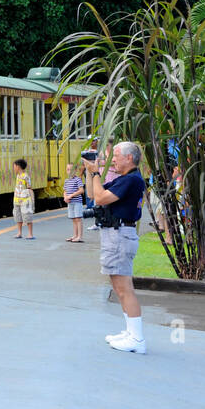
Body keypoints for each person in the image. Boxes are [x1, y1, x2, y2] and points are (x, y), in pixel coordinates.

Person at [83, 141, 147, 354]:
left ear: (129, 158)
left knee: (124, 289)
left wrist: (96, 173)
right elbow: (93, 195)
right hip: (117, 235)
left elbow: (100, 198)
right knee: (120, 288)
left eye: (117, 155)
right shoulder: (127, 179)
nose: (113, 160)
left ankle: (137, 339)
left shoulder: (131, 180)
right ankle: (131, 333)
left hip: (120, 236)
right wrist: (90, 172)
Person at [12, 158, 34, 239]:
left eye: (14, 166)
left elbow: (29, 188)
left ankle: (30, 234)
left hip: (25, 201)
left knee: (27, 217)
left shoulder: (26, 176)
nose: (13, 168)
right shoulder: (18, 176)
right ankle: (19, 233)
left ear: (18, 167)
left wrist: (31, 200)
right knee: (18, 217)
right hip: (17, 200)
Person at [63, 163, 85, 241]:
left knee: (78, 218)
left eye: (71, 169)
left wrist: (71, 195)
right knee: (73, 219)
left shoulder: (78, 179)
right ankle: (75, 235)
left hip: (77, 202)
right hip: (70, 203)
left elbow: (81, 190)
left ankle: (80, 236)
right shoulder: (66, 180)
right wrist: (65, 197)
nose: (69, 171)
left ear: (75, 170)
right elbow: (65, 191)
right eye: (68, 169)